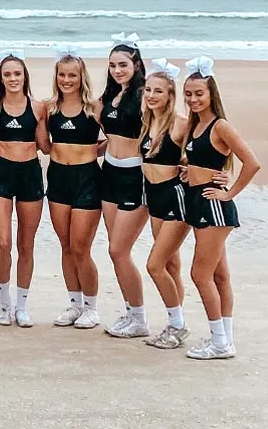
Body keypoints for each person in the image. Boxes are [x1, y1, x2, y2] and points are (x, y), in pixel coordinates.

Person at [181, 56, 259, 360]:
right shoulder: (195, 124)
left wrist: (229, 194)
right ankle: (225, 337)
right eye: (188, 94)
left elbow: (252, 163)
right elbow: (201, 159)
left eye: (199, 93)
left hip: (213, 205)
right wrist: (189, 170)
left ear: (212, 93)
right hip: (197, 199)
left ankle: (219, 342)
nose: (193, 99)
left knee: (200, 274)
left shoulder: (220, 125)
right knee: (220, 275)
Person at [0, 51, 46, 328]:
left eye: (17, 73)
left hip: (30, 175)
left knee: (25, 244)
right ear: (1, 78)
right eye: (7, 74)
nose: (12, 78)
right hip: (2, 176)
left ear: (24, 76)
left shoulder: (39, 107)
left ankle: (22, 304)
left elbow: (46, 146)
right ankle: (4, 301)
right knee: (3, 242)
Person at [97, 33, 150, 339]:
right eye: (113, 65)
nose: (118, 70)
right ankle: (131, 312)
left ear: (137, 64)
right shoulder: (110, 96)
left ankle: (140, 317)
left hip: (135, 177)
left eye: (123, 64)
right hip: (110, 174)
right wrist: (97, 151)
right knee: (115, 250)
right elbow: (111, 135)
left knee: (119, 250)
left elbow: (167, 127)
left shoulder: (144, 95)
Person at [46, 45, 103, 329]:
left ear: (82, 77)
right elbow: (42, 145)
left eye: (72, 75)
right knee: (66, 246)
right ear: (56, 76)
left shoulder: (94, 108)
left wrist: (95, 150)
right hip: (57, 178)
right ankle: (74, 304)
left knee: (81, 247)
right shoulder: (49, 108)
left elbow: (117, 139)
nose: (67, 80)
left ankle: (92, 307)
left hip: (87, 180)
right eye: (62, 75)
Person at [136, 59, 191, 349]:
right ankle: (174, 324)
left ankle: (178, 325)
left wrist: (190, 166)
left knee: (155, 265)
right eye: (147, 90)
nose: (151, 95)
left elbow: (203, 151)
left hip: (174, 196)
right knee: (170, 263)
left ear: (170, 94)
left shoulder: (181, 123)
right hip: (153, 196)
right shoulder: (147, 121)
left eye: (158, 91)